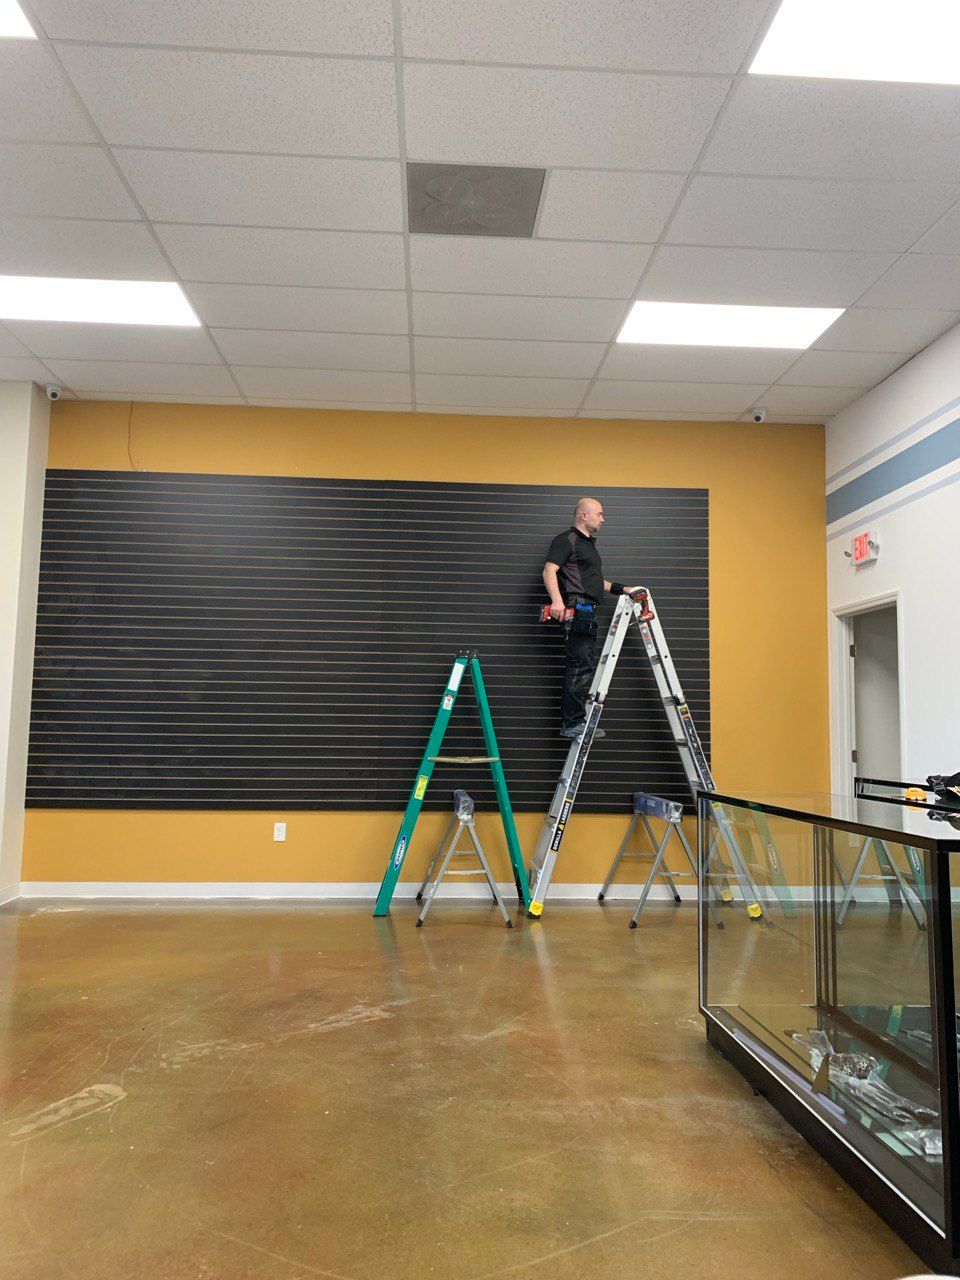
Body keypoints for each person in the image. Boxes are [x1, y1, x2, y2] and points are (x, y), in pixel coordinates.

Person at [543, 498, 636, 740]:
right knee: (579, 667)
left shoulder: (588, 546)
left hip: (587, 611)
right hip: (578, 610)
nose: (603, 519)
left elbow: (594, 583)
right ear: (584, 515)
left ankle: (574, 721)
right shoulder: (567, 540)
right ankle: (573, 724)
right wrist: (557, 602)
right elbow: (549, 570)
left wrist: (623, 589)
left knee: (582, 666)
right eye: (600, 514)